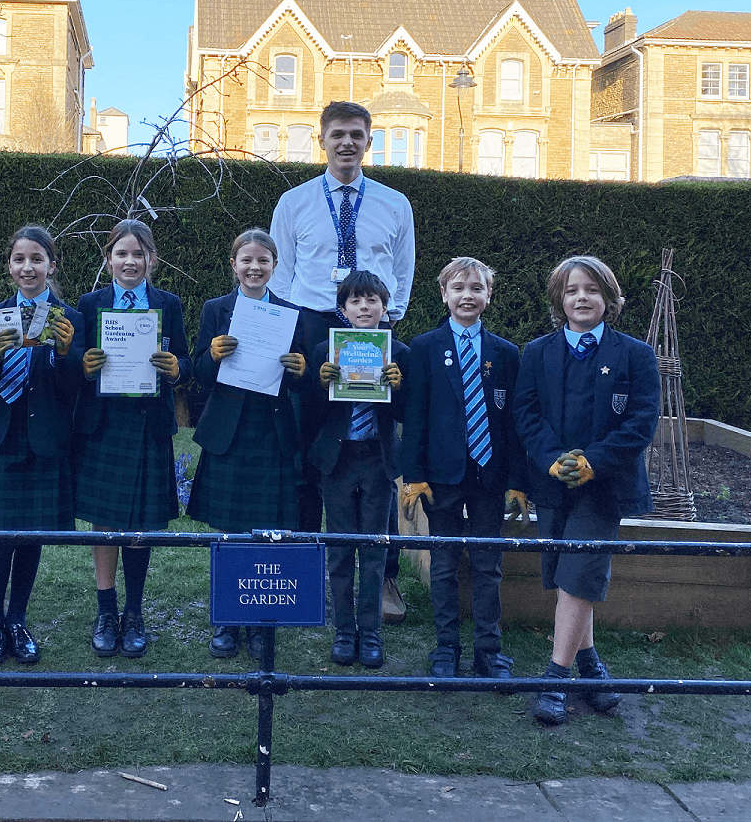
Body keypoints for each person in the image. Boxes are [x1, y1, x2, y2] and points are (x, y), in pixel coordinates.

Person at [268, 100, 416, 619]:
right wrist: (298, 333)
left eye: (356, 134)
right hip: (313, 325)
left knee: (376, 453)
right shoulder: (294, 202)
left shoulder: (396, 203)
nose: (347, 143)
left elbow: (402, 270)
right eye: (338, 135)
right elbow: (282, 271)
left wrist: (382, 324)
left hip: (370, 330)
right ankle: (311, 574)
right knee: (313, 453)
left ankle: (386, 580)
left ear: (369, 141)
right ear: (322, 139)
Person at [513, 255, 660, 726]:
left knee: (578, 577)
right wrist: (553, 459)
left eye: (592, 290)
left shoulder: (635, 354)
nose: (582, 298)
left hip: (605, 488)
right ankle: (592, 667)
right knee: (567, 577)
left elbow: (642, 421)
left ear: (608, 299)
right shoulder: (536, 352)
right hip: (554, 483)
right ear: (560, 299)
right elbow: (526, 415)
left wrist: (592, 462)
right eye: (573, 290)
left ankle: (556, 678)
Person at [399, 257, 526, 682]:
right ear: (443, 295)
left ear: (488, 296)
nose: (466, 296)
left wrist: (516, 482)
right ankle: (446, 648)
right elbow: (414, 417)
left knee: (489, 565)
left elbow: (514, 425)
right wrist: (413, 475)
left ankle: (490, 650)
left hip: (489, 476)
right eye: (458, 288)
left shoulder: (506, 354)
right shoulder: (424, 348)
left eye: (476, 288)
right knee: (444, 563)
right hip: (441, 479)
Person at [188, 227, 309, 660]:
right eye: (247, 260)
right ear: (234, 265)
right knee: (228, 533)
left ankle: (259, 621)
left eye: (263, 261)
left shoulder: (290, 312)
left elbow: (304, 376)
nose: (254, 267)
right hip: (229, 432)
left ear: (274, 266)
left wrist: (299, 367)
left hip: (271, 431)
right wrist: (213, 355)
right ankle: (225, 619)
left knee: (264, 534)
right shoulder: (215, 309)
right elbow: (197, 373)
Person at [74, 220, 191, 659]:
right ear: (108, 260)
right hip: (104, 425)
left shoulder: (168, 304)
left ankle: (135, 613)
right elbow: (76, 367)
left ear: (151, 261)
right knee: (104, 522)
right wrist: (85, 365)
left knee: (140, 524)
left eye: (138, 254)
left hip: (147, 425)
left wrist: (176, 368)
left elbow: (185, 358)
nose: (129, 261)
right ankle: (106, 611)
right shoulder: (90, 304)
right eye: (121, 253)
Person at [0, 225, 85, 666]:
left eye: (37, 259)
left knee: (31, 536)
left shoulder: (67, 316)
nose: (28, 267)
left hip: (44, 438)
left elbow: (76, 386)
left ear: (51, 265)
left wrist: (64, 354)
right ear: (10, 267)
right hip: (3, 436)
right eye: (20, 259)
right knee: (0, 537)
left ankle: (17, 620)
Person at [305, 270, 407, 670]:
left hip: (377, 459)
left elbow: (405, 413)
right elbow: (311, 412)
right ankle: (344, 630)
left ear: (385, 306)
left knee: (375, 547)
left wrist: (397, 388)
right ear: (343, 310)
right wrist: (319, 383)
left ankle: (372, 631)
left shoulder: (399, 352)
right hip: (338, 459)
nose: (364, 308)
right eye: (355, 301)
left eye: (372, 301)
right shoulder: (323, 352)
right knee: (340, 547)